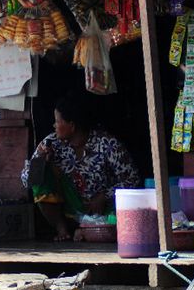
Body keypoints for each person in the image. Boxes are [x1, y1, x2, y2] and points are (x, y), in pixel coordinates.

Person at [22, 95, 140, 241]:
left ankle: (87, 231)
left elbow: (133, 179)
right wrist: (40, 161)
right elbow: (28, 181)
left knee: (123, 215)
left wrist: (104, 196)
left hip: (103, 211)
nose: (54, 126)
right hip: (70, 210)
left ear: (72, 125)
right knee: (41, 178)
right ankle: (63, 229)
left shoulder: (107, 144)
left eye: (57, 121)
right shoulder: (51, 143)